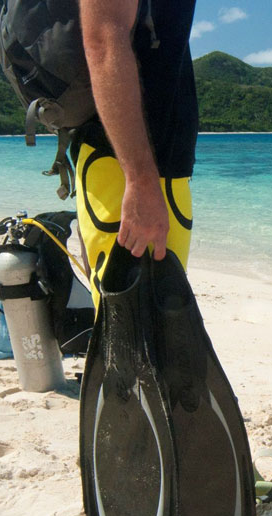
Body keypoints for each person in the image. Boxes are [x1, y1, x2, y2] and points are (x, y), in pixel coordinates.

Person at [75, 0, 198, 306]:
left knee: (145, 323)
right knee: (136, 324)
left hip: (140, 166)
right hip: (130, 166)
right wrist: (140, 180)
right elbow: (103, 39)